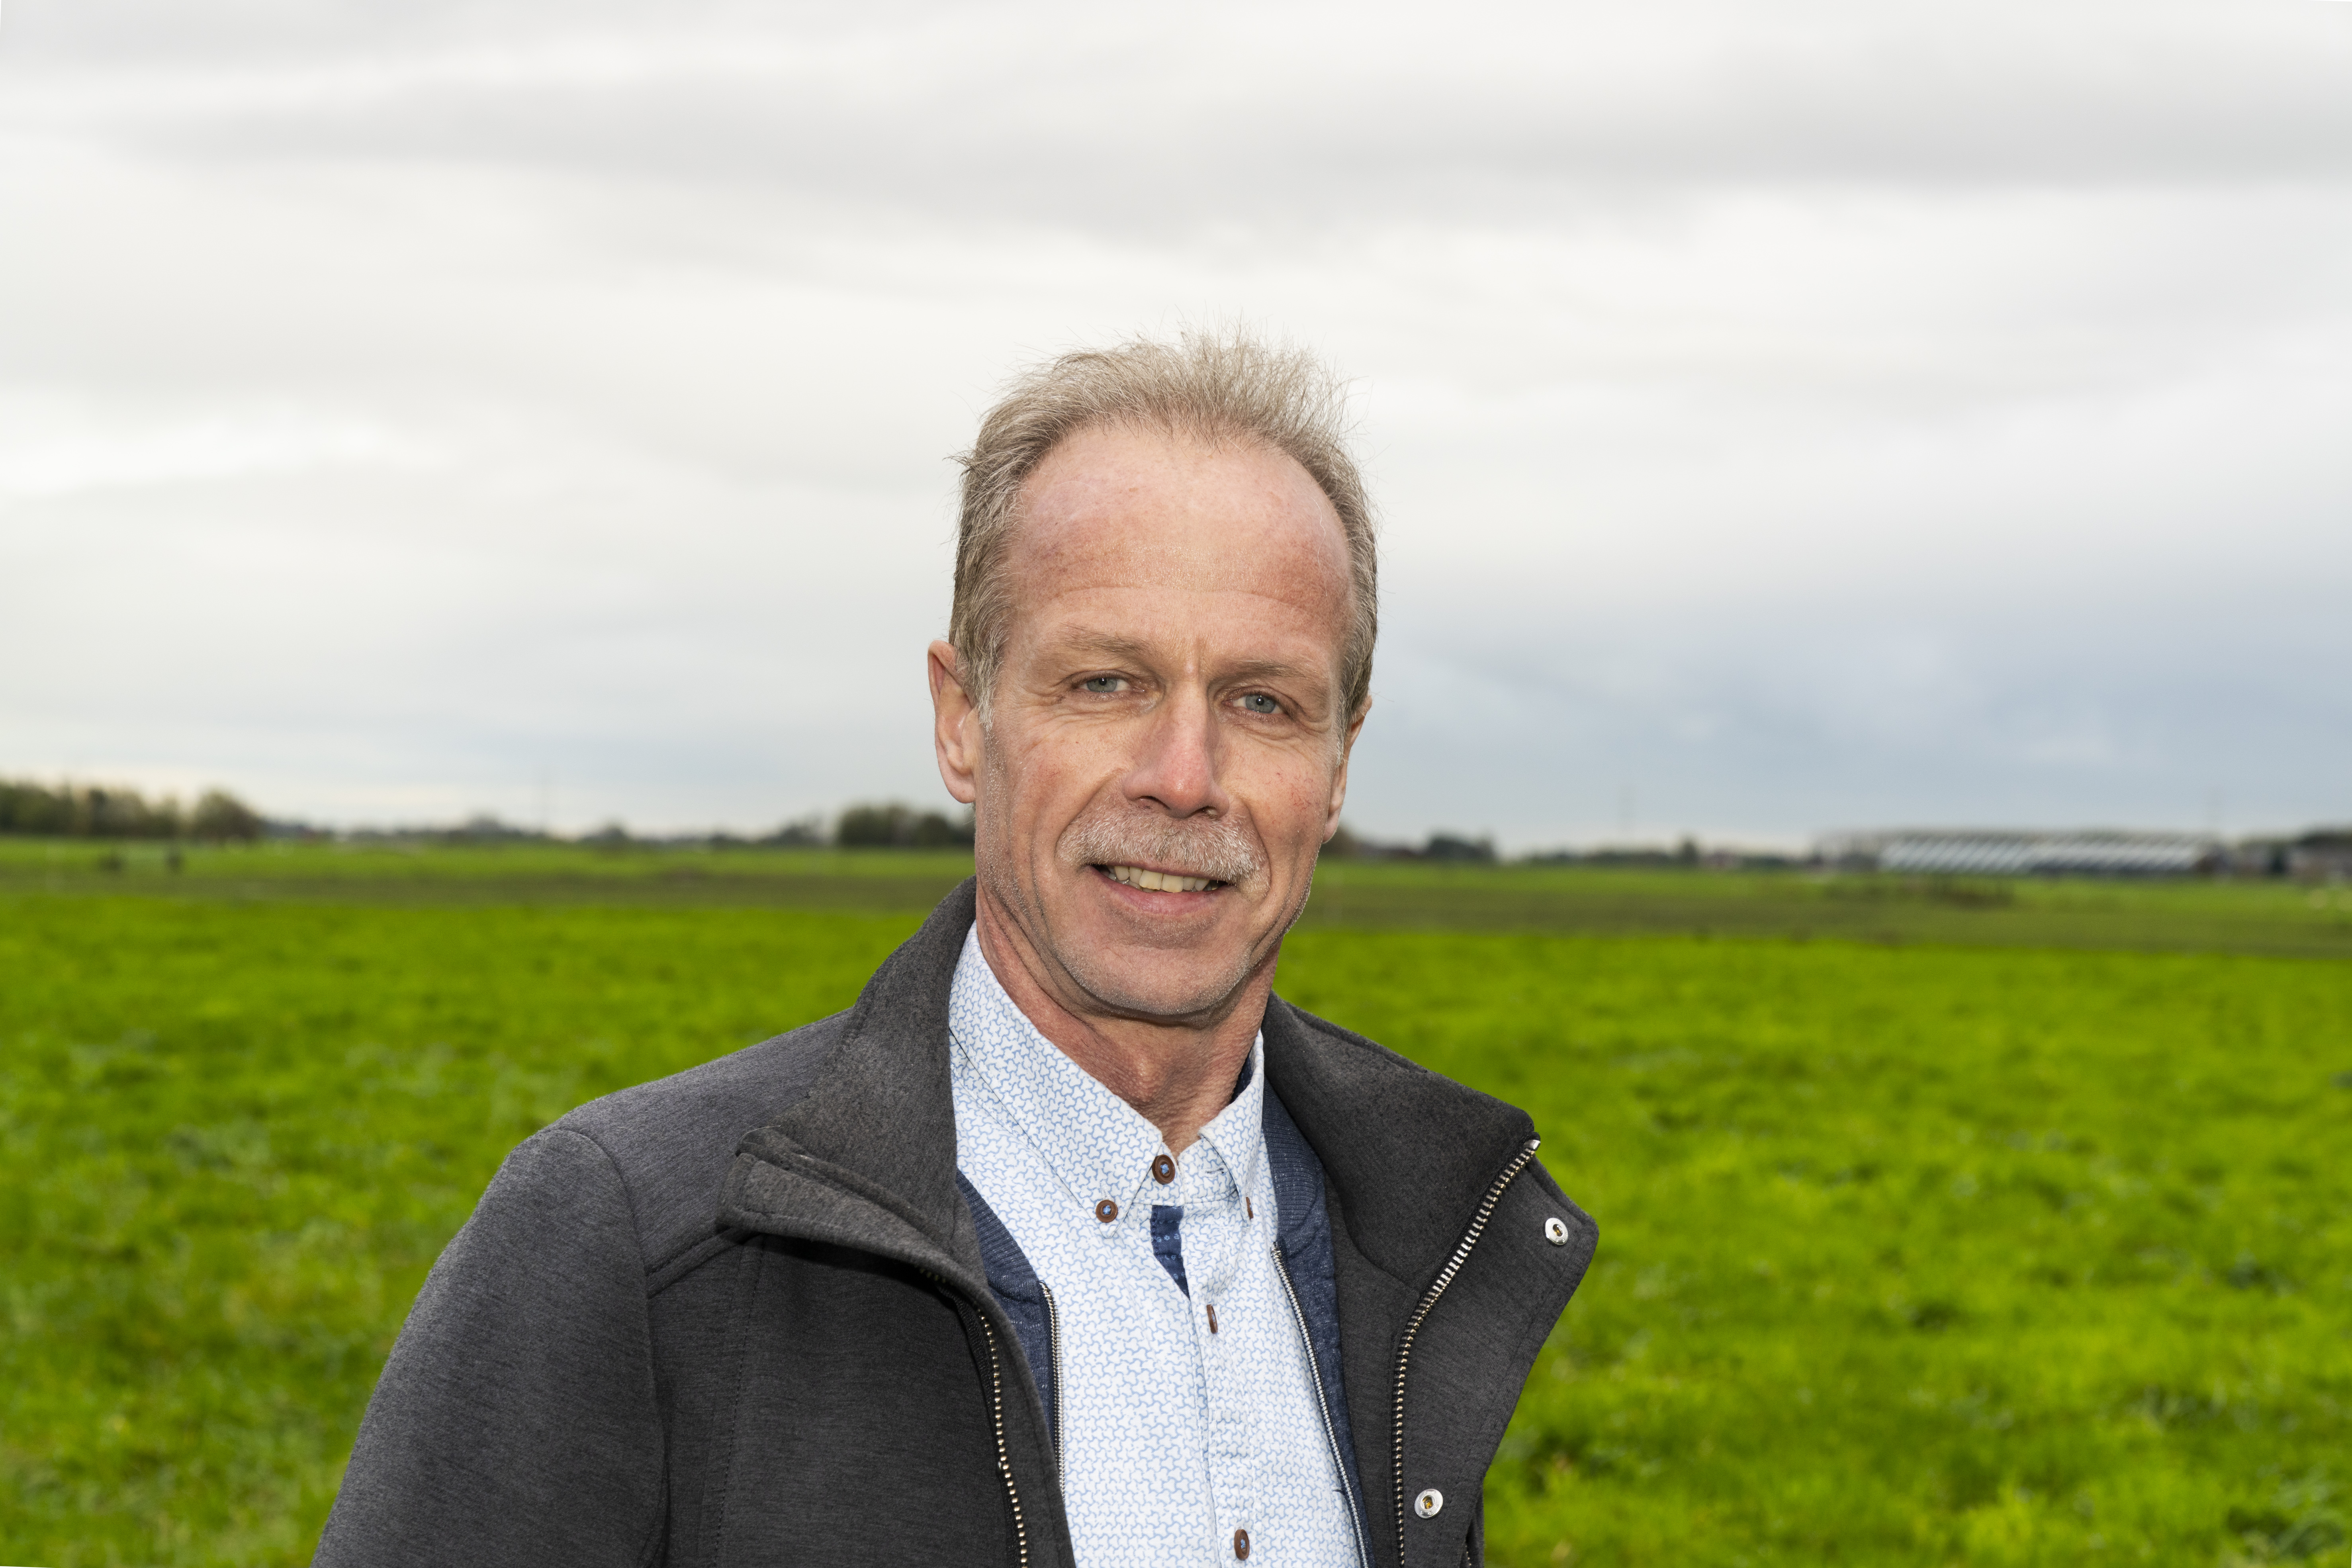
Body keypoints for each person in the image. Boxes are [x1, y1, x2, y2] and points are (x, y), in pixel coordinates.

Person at [314, 333, 1597, 1568]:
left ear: (1337, 764)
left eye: (1263, 702)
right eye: (1105, 682)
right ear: (961, 721)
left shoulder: (1423, 1235)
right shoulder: (631, 1240)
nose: (1183, 777)